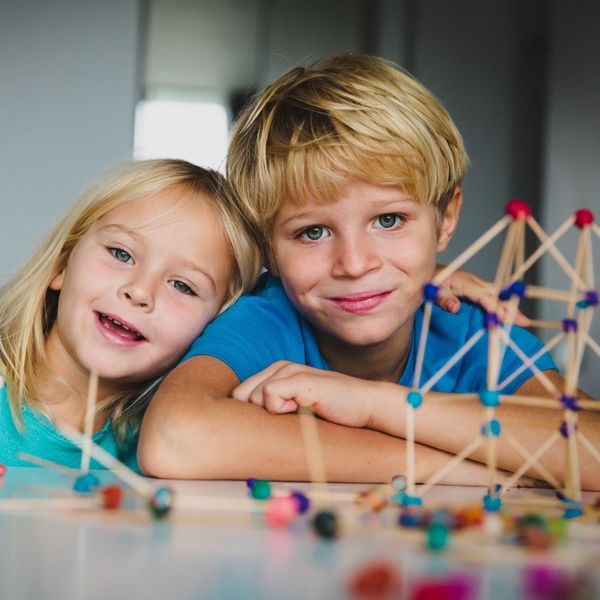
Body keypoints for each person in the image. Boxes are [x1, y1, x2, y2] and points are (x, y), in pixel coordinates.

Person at [139, 54, 599, 488]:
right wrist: (449, 467)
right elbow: (174, 438)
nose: (355, 264)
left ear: (446, 219)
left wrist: (374, 404)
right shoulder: (268, 318)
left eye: (389, 221)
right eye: (313, 232)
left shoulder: (476, 332)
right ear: (267, 248)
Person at [0, 159, 261, 472]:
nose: (139, 292)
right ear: (63, 262)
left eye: (182, 286)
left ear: (213, 328)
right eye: (121, 254)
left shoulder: (173, 451)